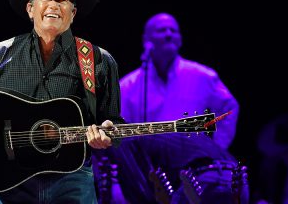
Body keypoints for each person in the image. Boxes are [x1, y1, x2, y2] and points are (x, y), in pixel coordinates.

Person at [0, 0, 125, 203]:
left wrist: (108, 133)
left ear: (73, 13)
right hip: (12, 183)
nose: (54, 5)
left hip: (72, 181)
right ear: (30, 9)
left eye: (63, 0)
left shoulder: (99, 60)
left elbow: (114, 122)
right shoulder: (0, 54)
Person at [96, 12, 245, 204]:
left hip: (195, 170)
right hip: (149, 176)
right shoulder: (129, 86)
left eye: (173, 30)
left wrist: (216, 149)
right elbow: (118, 134)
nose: (168, 34)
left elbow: (229, 109)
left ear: (180, 38)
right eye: (161, 30)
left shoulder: (202, 76)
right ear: (146, 40)